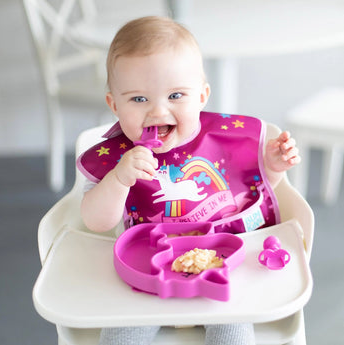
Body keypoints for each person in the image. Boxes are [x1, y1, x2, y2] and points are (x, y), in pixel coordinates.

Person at [77, 16, 300, 345]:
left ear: (201, 96)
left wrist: (272, 165)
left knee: (234, 335)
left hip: (225, 264)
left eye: (176, 95)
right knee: (118, 337)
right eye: (139, 99)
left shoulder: (224, 141)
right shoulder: (119, 159)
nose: (157, 111)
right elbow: (95, 221)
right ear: (114, 105)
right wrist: (119, 179)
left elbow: (257, 185)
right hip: (146, 273)